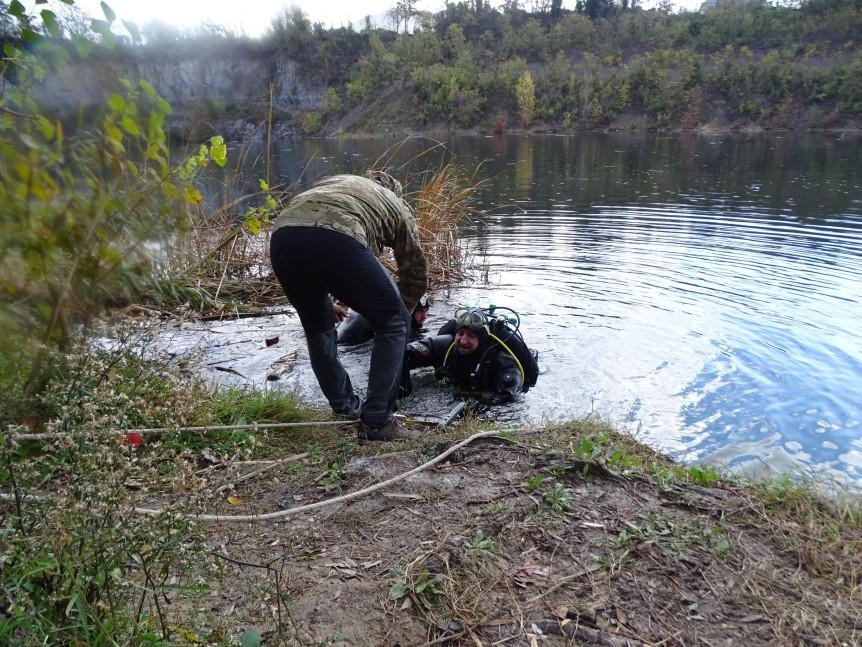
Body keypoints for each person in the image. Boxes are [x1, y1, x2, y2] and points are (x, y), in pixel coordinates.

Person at [269, 171, 428, 441]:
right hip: (337, 239)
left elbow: (311, 235)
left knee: (318, 328)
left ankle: (344, 408)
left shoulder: (335, 181)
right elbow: (414, 270)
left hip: (283, 238)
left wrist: (329, 300)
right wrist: (403, 314)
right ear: (394, 192)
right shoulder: (394, 203)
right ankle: (377, 422)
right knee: (394, 322)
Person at [402, 306, 539, 402]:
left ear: (482, 339)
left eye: (471, 336)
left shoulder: (499, 361)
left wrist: (484, 400)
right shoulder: (447, 346)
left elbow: (510, 396)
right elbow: (407, 353)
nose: (463, 340)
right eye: (461, 333)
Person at [337, 294, 433, 346]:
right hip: (346, 348)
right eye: (420, 311)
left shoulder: (390, 307)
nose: (425, 316)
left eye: (426, 311)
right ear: (411, 311)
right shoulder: (395, 321)